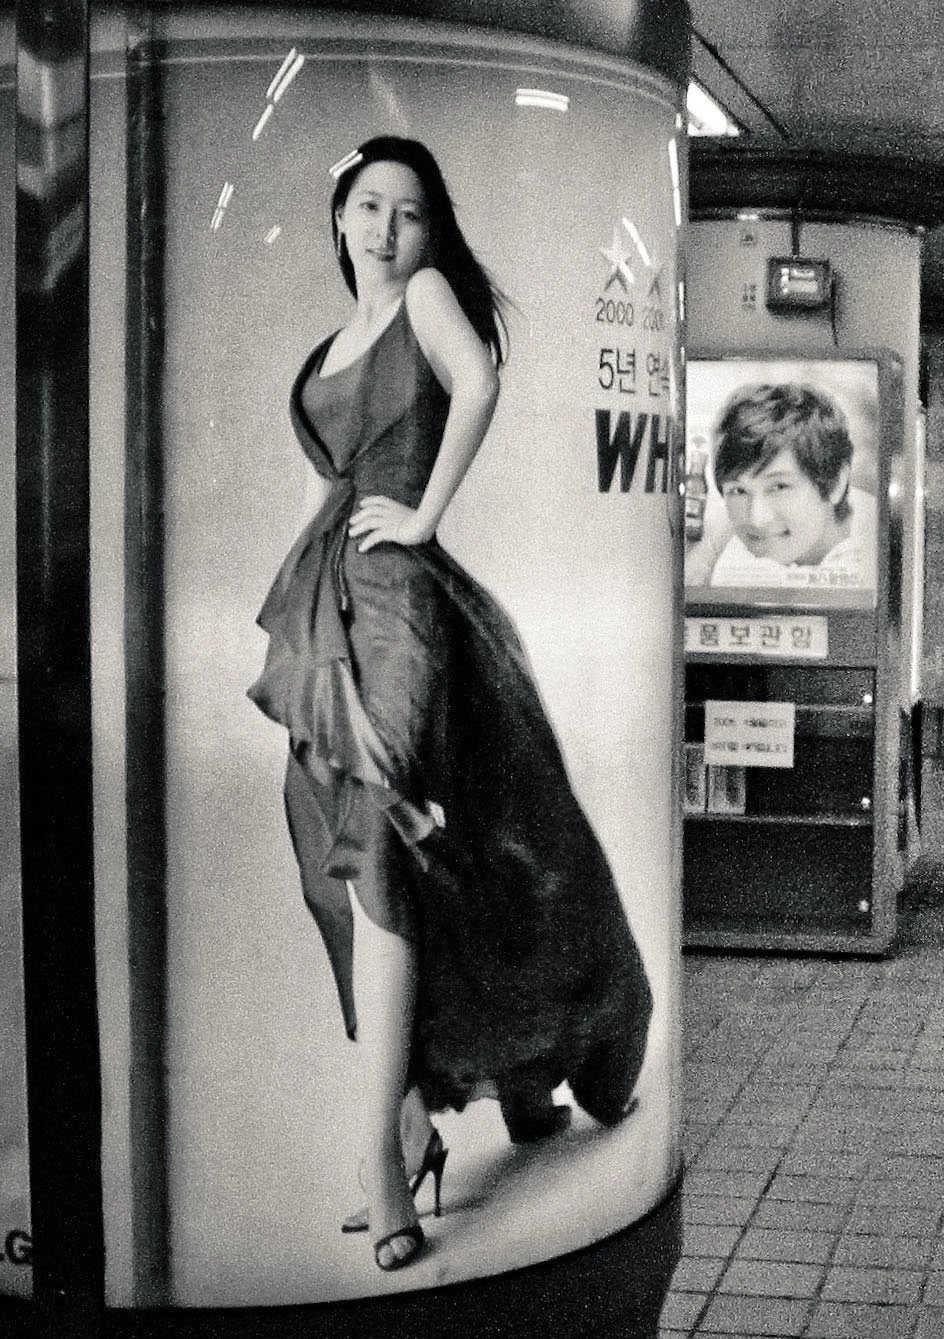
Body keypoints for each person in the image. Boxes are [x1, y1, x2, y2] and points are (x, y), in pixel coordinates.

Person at [249, 137, 652, 1271]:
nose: (386, 230)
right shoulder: (335, 339)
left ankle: (380, 1145)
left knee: (387, 838)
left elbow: (479, 381)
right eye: (368, 207)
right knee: (366, 859)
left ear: (432, 234)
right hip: (331, 603)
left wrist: (421, 516)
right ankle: (424, 1110)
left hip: (405, 606)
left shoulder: (425, 298)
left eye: (410, 213)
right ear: (337, 217)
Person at [694, 382, 874, 590]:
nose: (757, 519)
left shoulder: (876, 557)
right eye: (739, 490)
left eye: (779, 487)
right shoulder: (726, 538)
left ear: (836, 483)